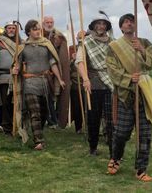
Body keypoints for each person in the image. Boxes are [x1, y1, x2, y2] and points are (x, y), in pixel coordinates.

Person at [106, 13, 152, 182]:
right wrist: (129, 78)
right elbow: (112, 68)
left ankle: (141, 169)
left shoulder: (144, 43)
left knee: (144, 134)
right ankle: (116, 158)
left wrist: (142, 50)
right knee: (122, 132)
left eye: (132, 21)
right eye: (126, 22)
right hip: (126, 94)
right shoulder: (114, 46)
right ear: (121, 27)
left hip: (144, 94)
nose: (129, 24)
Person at [18, 19, 65, 150]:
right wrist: (16, 69)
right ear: (28, 32)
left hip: (44, 82)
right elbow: (17, 64)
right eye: (34, 29)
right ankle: (38, 141)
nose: (37, 31)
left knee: (44, 113)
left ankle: (38, 133)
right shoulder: (23, 47)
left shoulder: (46, 44)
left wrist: (59, 79)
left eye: (38, 28)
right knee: (35, 113)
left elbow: (52, 63)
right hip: (30, 83)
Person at [76, 13, 114, 156]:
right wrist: (85, 79)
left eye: (103, 24)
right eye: (97, 24)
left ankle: (113, 150)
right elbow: (79, 62)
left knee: (111, 118)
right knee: (93, 117)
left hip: (110, 83)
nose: (100, 26)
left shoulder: (112, 42)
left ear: (106, 27)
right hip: (93, 83)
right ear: (93, 26)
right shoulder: (86, 42)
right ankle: (93, 147)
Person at [0, 21, 20, 134]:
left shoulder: (19, 43)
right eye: (9, 28)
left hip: (17, 77)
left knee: (16, 102)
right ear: (6, 30)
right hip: (3, 77)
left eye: (13, 28)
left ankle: (16, 125)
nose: (11, 30)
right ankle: (7, 127)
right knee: (6, 102)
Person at [42, 16, 70, 129]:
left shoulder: (57, 36)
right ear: (43, 23)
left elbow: (61, 54)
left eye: (51, 22)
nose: (49, 24)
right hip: (42, 70)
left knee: (55, 95)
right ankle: (48, 119)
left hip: (55, 69)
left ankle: (55, 119)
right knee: (45, 96)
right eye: (47, 22)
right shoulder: (39, 35)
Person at [69, 31, 86, 133]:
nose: (81, 40)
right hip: (75, 84)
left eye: (83, 37)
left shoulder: (88, 48)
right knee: (77, 107)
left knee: (88, 106)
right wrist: (72, 60)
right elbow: (65, 65)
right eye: (79, 38)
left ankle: (89, 126)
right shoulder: (71, 48)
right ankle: (78, 127)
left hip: (87, 82)